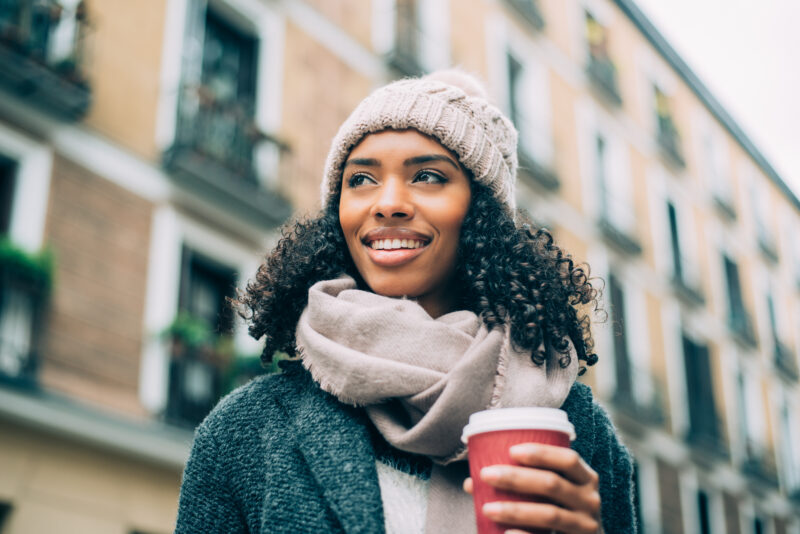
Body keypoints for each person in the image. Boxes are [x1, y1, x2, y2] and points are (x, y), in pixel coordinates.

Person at [175, 70, 636, 534]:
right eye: (360, 180)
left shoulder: (580, 430)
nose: (388, 202)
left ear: (481, 213)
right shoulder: (245, 430)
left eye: (428, 176)